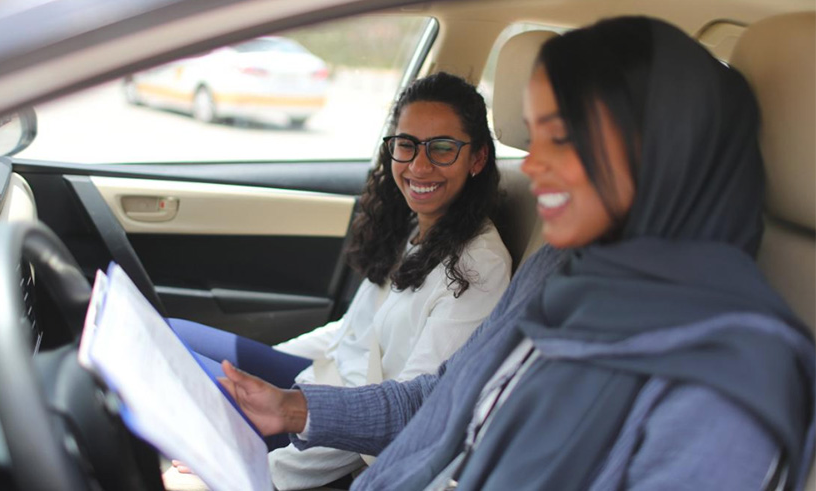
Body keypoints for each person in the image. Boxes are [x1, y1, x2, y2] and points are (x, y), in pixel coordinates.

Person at [218, 16, 816, 490]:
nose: (531, 164)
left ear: (665, 151)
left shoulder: (730, 383)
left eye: (565, 137)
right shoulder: (569, 271)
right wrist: (292, 409)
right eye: (535, 135)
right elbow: (443, 398)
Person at [170, 72, 513, 488]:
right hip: (316, 383)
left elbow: (402, 412)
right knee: (167, 339)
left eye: (442, 148)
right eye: (406, 145)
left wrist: (260, 472)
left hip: (333, 429)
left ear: (477, 158)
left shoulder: (478, 267)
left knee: (167, 376)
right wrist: (265, 370)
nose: (419, 165)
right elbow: (349, 335)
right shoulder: (416, 225)